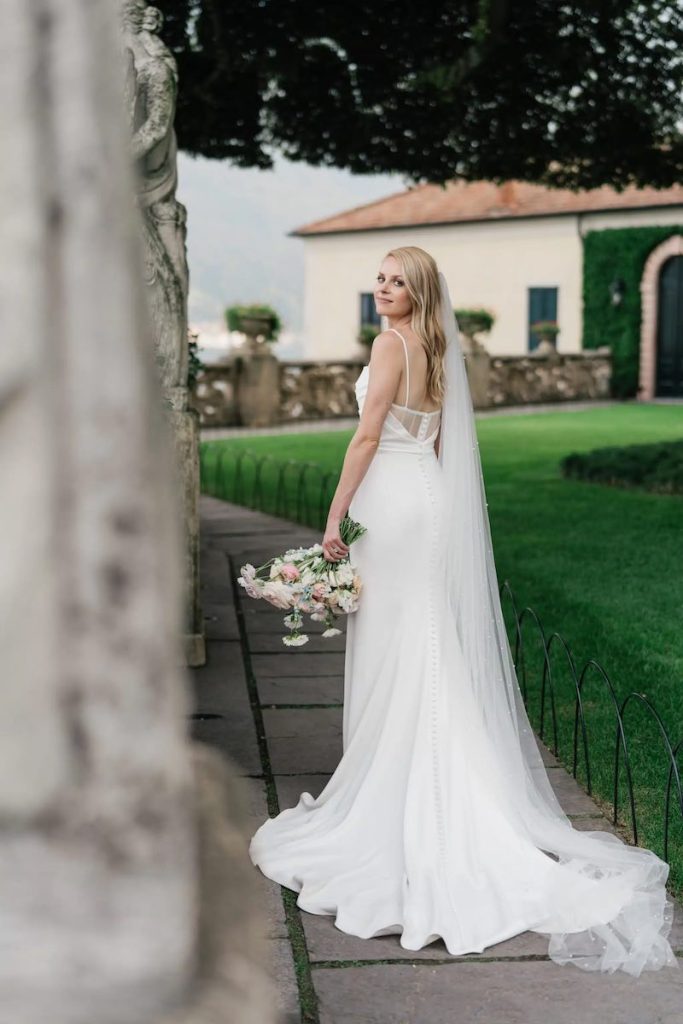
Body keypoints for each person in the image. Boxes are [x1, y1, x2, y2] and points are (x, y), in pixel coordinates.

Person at [248, 246, 678, 976]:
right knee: (426, 638)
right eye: (378, 279)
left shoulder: (389, 344)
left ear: (416, 293)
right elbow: (440, 442)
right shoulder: (438, 348)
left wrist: (333, 516)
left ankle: (405, 794)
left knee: (397, 641)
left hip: (389, 497)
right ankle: (444, 779)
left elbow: (364, 433)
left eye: (393, 282)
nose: (380, 290)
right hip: (428, 496)